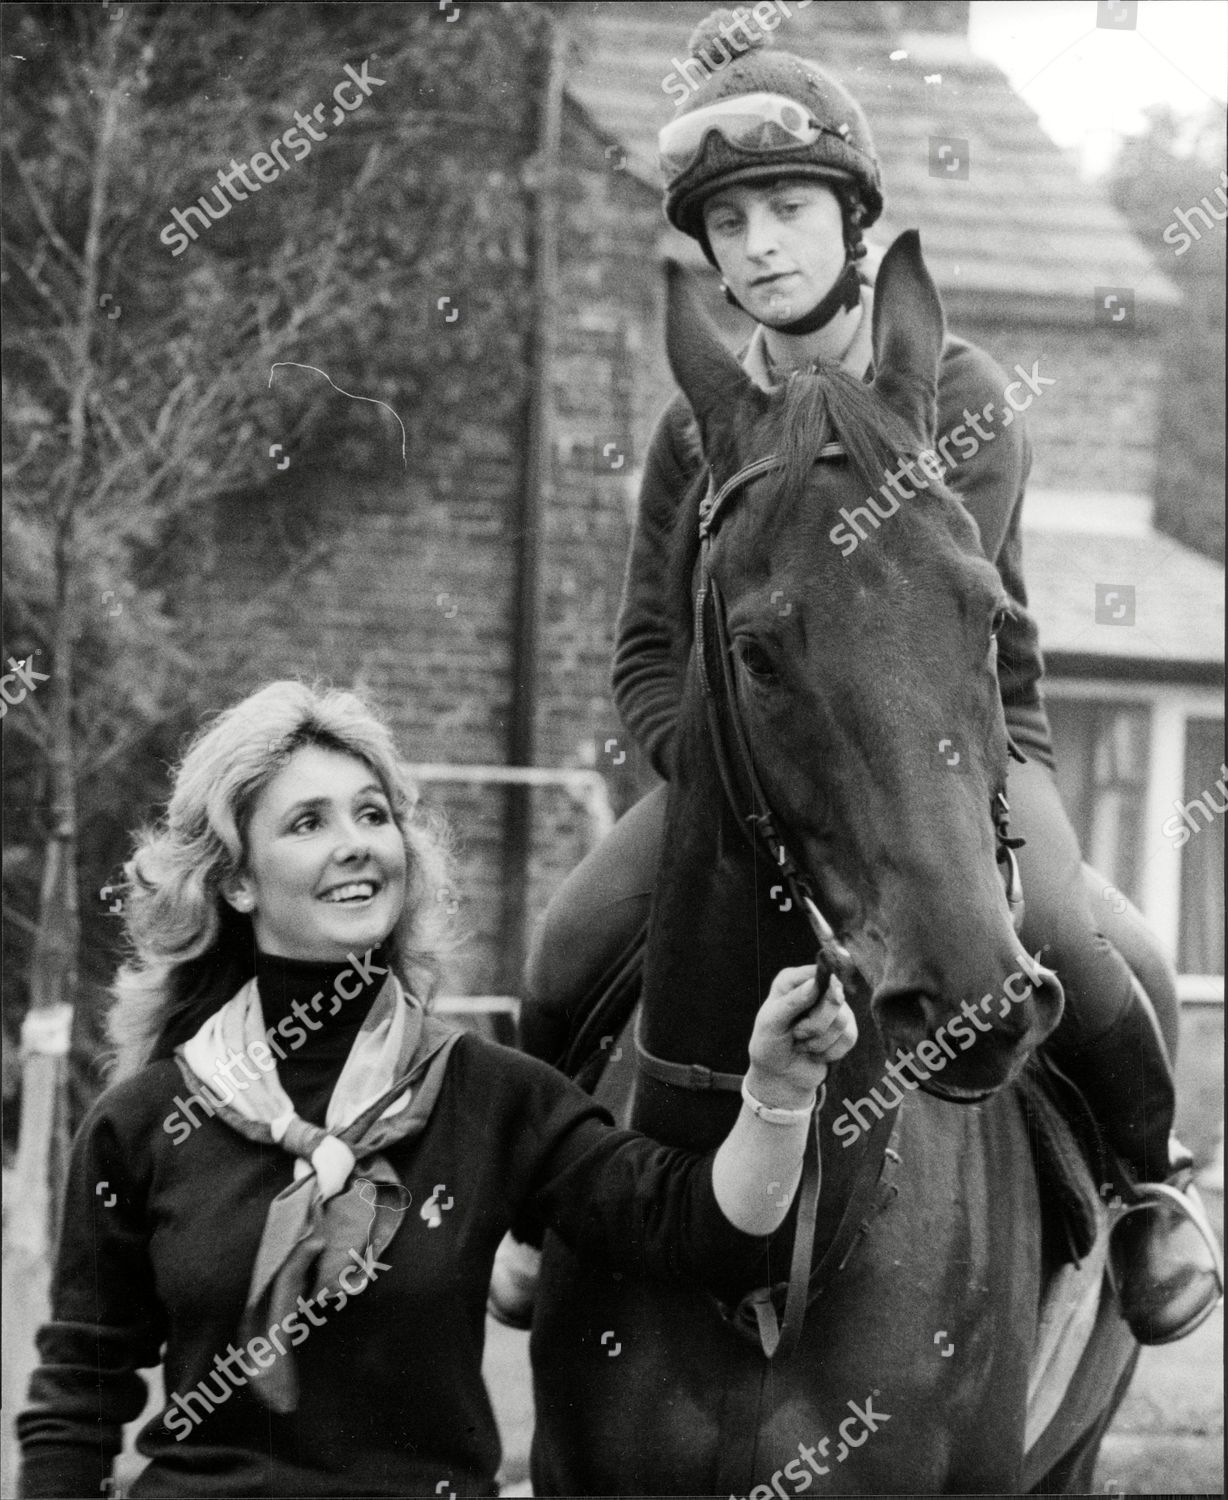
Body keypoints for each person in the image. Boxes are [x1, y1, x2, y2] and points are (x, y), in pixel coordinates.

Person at [514, 11, 1222, 1346]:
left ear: (854, 222)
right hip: (752, 759)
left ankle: (1145, 1189)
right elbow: (649, 652)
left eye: (786, 207)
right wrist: (711, 778)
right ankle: (538, 1200)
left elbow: (929, 633)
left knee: (1077, 933)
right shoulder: (696, 426)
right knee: (565, 944)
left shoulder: (955, 399)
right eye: (729, 225)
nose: (760, 244)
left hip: (963, 742)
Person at [16, 679, 858, 1500]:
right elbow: (77, 1398)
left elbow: (694, 1227)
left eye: (373, 814)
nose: (357, 843)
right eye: (309, 822)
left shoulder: (489, 1093)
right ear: (236, 881)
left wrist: (779, 1085)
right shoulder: (144, 1121)